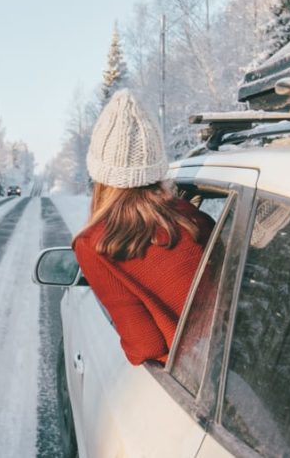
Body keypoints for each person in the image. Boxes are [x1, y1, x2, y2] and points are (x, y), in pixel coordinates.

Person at [72, 90, 214, 366]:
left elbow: (145, 346)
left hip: (189, 374)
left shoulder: (94, 245)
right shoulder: (193, 219)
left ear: (100, 174)